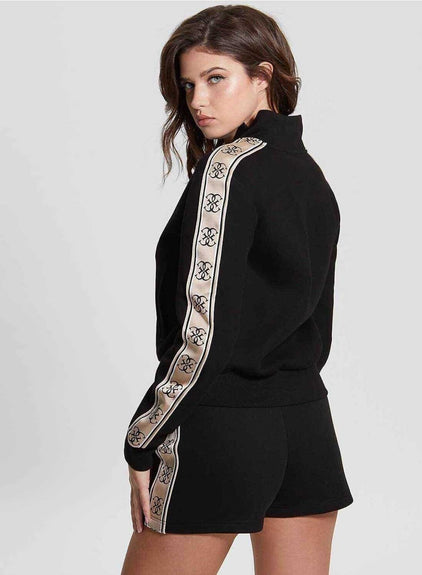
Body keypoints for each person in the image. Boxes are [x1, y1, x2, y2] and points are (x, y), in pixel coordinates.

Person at [121, 5, 353, 575]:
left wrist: (142, 437)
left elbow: (204, 332)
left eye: (215, 78)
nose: (197, 101)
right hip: (307, 429)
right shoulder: (309, 174)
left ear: (263, 75)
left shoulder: (227, 170)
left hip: (223, 430)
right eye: (188, 85)